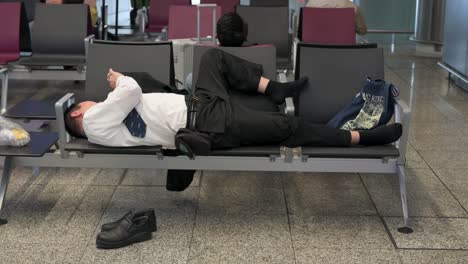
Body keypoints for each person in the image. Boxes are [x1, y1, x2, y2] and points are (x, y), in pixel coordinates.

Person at [65, 49, 402, 151]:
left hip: (198, 103)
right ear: (78, 114)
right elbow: (132, 90)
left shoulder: (103, 119)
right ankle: (360, 137)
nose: (94, 100)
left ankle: (273, 89)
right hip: (206, 123)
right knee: (289, 126)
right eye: (87, 103)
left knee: (212, 58)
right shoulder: (94, 123)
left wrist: (117, 90)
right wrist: (117, 80)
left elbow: (130, 98)